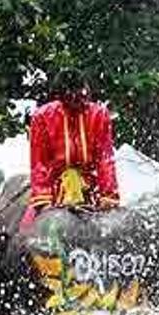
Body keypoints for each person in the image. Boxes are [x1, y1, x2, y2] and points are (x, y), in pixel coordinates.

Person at [24, 68, 120, 227]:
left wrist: (108, 196)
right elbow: (39, 162)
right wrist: (44, 200)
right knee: (27, 234)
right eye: (71, 97)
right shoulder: (42, 117)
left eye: (81, 96)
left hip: (91, 187)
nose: (78, 102)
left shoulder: (99, 114)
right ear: (61, 97)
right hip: (55, 187)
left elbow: (105, 158)